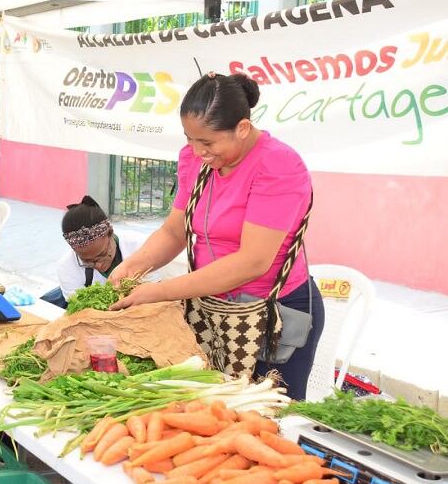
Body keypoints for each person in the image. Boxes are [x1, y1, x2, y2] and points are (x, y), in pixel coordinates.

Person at [108, 73, 323, 400]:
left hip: (272, 317)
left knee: (267, 420)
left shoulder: (278, 165)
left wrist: (159, 292)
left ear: (242, 128)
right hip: (213, 311)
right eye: (190, 139)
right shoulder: (193, 158)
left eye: (207, 142)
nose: (197, 151)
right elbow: (173, 231)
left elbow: (252, 262)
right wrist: (133, 267)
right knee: (211, 409)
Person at [40, 196, 146, 309]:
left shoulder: (141, 247)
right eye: (88, 262)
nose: (99, 265)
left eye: (103, 255)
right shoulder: (67, 268)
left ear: (110, 234)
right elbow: (81, 309)